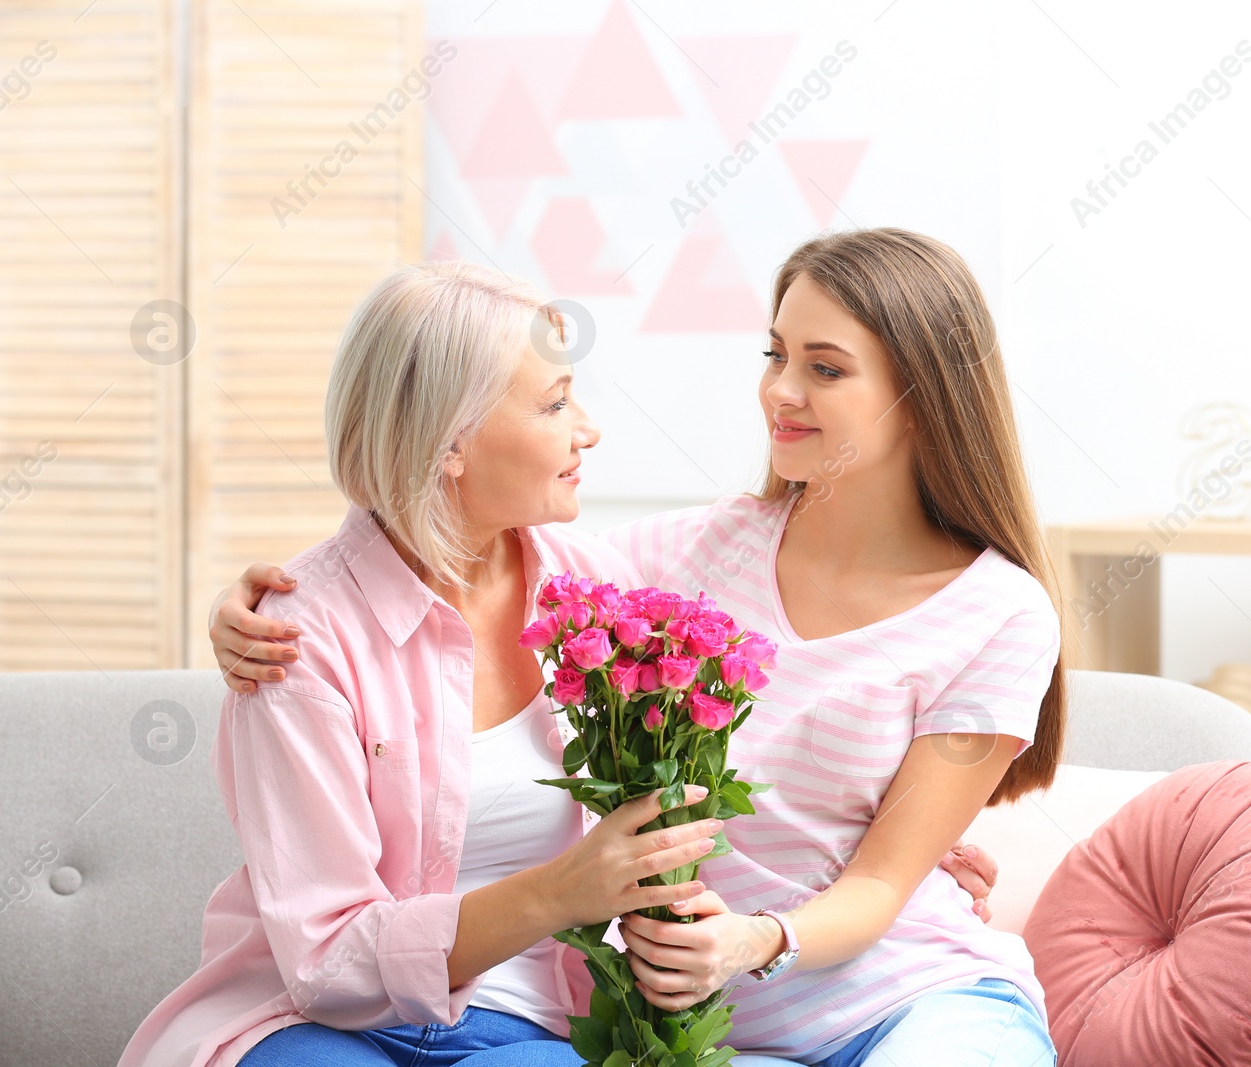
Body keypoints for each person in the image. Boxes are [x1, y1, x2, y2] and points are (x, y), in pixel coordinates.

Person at [210, 229, 1059, 1066]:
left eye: (824, 368)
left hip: (910, 991)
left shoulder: (1000, 612)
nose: (780, 392)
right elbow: (431, 555)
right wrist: (252, 606)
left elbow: (880, 879)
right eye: (775, 356)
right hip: (730, 1032)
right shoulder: (679, 562)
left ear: (925, 393)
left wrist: (830, 891)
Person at [119, 264, 724, 1067]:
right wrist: (559, 891)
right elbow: (329, 961)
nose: (589, 429)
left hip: (532, 1025)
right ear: (450, 445)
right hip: (317, 1025)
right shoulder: (296, 641)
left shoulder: (601, 592)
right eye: (553, 403)